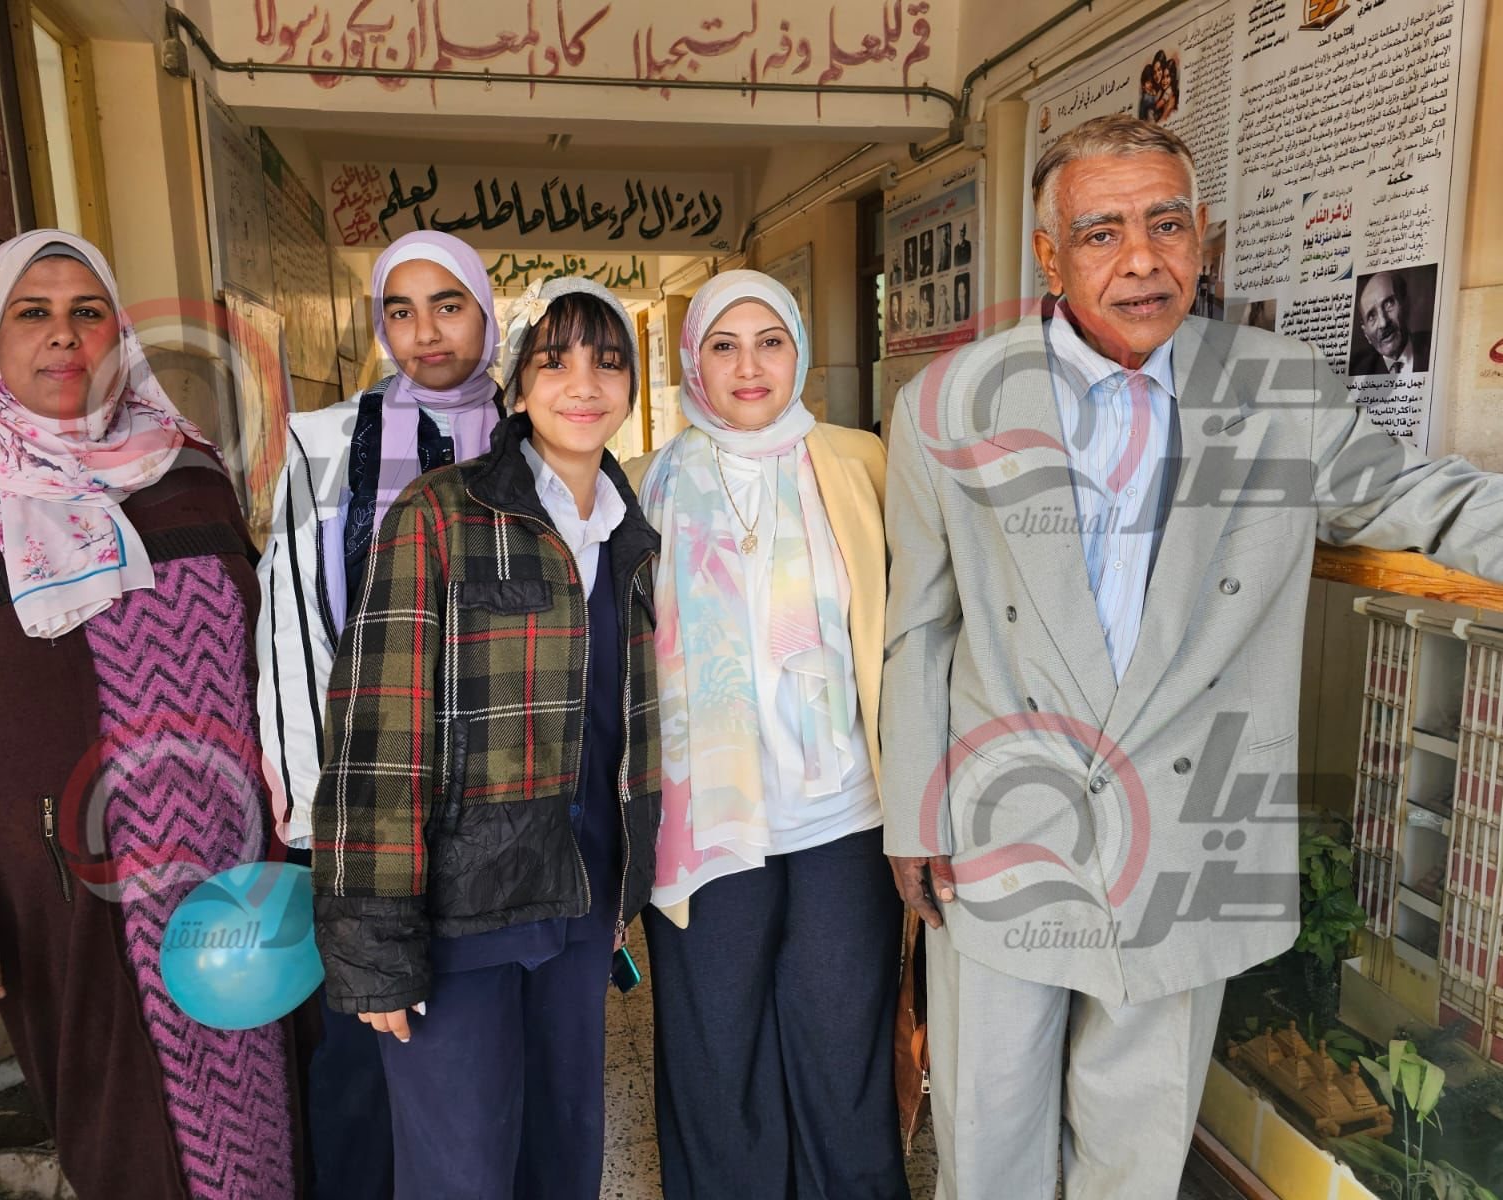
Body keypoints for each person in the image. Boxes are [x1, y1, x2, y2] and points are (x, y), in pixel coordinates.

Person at [882, 113, 1503, 1199]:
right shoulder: (945, 404)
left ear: (1202, 238)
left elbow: (1419, 496)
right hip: (1004, 822)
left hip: (1187, 826)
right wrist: (912, 814)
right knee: (988, 1130)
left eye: (1166, 225)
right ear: (1048, 256)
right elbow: (919, 624)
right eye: (1102, 233)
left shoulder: (1278, 390)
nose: (1141, 260)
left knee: (1137, 1142)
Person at [0, 230, 299, 1198]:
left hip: (236, 867)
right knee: (128, 1134)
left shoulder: (189, 471)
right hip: (72, 899)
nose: (63, 335)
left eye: (88, 313)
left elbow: (269, 657)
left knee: (270, 1107)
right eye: (31, 313)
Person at [311, 276, 662, 1200]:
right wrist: (375, 944)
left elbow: (625, 725)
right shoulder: (442, 513)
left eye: (608, 362)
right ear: (516, 384)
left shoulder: (632, 533)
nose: (583, 384)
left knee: (564, 1153)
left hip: (580, 899)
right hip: (460, 911)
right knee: (459, 1171)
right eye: (555, 361)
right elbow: (375, 735)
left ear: (632, 387)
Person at [627, 270, 908, 1200]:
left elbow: (913, 626)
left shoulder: (859, 463)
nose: (749, 367)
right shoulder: (649, 485)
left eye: (770, 342)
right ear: (693, 362)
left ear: (799, 352)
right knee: (718, 1057)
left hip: (844, 813)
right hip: (705, 823)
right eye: (724, 346)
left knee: (843, 1049)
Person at [256, 229, 503, 1198]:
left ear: (485, 313)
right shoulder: (323, 444)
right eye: (400, 310)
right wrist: (313, 809)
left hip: (496, 802)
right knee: (363, 1043)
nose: (425, 331)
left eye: (448, 305)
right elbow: (288, 628)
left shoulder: (529, 434)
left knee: (474, 1036)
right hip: (365, 796)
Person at [1350, 270, 1431, 375]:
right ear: (1366, 334)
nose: (1383, 323)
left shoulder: (1435, 347)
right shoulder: (1359, 373)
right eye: (1372, 316)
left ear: (1405, 304)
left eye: (1388, 304)